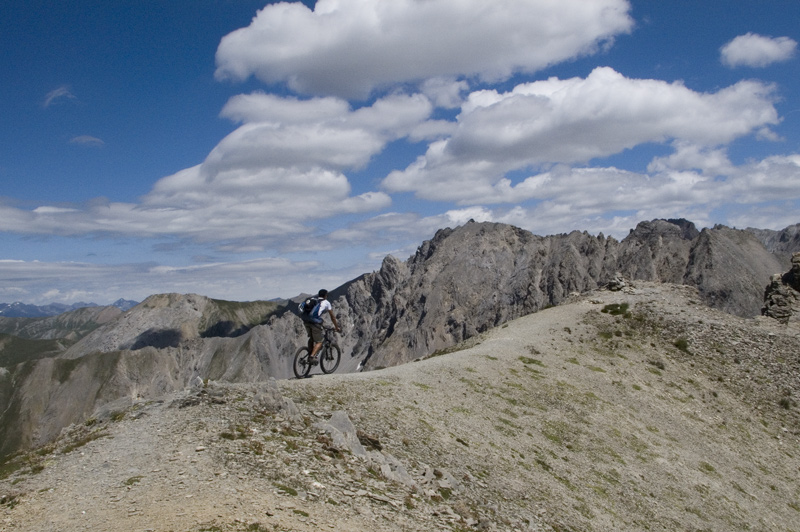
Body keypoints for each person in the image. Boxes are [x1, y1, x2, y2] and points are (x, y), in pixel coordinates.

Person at [303, 289, 340, 364]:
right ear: (325, 296)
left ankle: (310, 353)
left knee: (312, 338)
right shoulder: (326, 303)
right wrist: (336, 327)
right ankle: (311, 357)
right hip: (314, 322)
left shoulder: (314, 300)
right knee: (319, 342)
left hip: (306, 321)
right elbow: (332, 317)